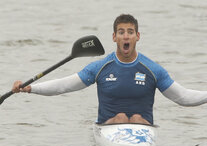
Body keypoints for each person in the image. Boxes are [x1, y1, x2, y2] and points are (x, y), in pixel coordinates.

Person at [12, 14, 207, 125]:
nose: (126, 37)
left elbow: (183, 97)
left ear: (138, 36)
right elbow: (65, 86)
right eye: (121, 32)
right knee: (121, 117)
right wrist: (31, 88)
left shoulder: (152, 69)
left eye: (130, 32)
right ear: (114, 37)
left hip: (144, 130)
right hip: (108, 128)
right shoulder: (100, 67)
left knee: (138, 119)